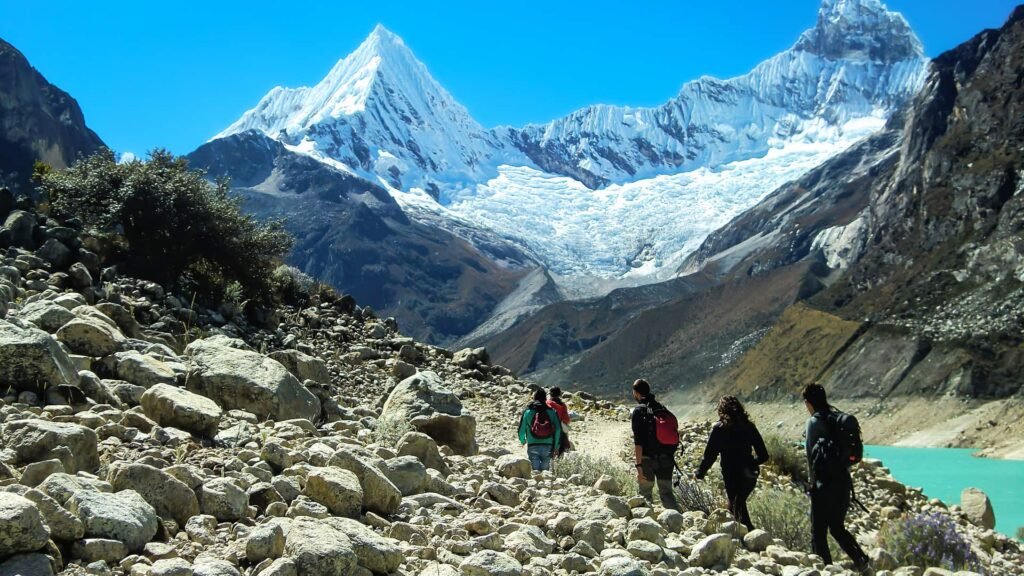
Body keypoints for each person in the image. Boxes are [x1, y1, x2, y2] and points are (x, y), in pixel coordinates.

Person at [803, 383, 871, 573]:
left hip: (823, 483)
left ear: (808, 403)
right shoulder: (837, 419)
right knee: (837, 527)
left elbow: (810, 457)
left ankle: (826, 569)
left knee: (818, 532)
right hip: (842, 482)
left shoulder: (814, 423)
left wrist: (812, 483)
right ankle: (862, 561)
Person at [694, 395, 769, 531]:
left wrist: (700, 473)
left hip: (731, 474)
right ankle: (745, 536)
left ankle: (750, 537)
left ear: (721, 410)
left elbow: (710, 455)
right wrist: (751, 463)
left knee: (737, 506)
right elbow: (764, 455)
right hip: (749, 475)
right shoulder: (749, 426)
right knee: (737, 505)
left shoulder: (720, 428)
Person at [630, 379, 681, 511]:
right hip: (667, 459)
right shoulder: (661, 408)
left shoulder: (638, 411)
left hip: (647, 460)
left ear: (636, 393)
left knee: (645, 494)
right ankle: (677, 523)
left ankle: (645, 524)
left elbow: (638, 442)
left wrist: (639, 466)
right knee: (667, 493)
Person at [518, 387, 562, 471]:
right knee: (545, 471)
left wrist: (522, 440)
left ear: (534, 397)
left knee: (535, 472)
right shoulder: (552, 412)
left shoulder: (528, 411)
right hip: (548, 445)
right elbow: (558, 430)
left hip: (532, 444)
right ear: (545, 398)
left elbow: (522, 428)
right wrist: (556, 445)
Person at [547, 387, 572, 456]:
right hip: (558, 430)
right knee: (561, 449)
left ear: (550, 395)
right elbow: (566, 420)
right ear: (559, 394)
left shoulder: (547, 403)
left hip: (546, 429)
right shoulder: (562, 405)